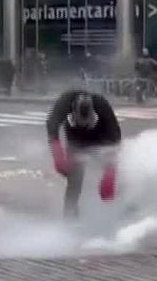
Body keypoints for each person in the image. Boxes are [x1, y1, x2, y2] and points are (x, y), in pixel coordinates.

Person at [46, 89, 121, 219]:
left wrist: (110, 172)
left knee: (115, 177)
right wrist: (57, 153)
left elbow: (115, 139)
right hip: (75, 141)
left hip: (100, 139)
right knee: (75, 181)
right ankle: (70, 216)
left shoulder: (102, 105)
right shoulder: (65, 102)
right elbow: (52, 124)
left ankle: (119, 209)